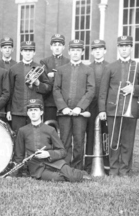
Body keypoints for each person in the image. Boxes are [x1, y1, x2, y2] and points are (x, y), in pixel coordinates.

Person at [98, 36, 139, 177]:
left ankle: (125, 170)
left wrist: (134, 89)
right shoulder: (110, 67)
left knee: (128, 142)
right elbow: (103, 91)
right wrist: (102, 110)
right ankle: (114, 169)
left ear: (131, 48)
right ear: (118, 48)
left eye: (127, 46)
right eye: (121, 46)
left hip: (130, 110)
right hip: (113, 110)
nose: (124, 49)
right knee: (114, 141)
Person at [11, 99, 90, 182]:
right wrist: (12, 174)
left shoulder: (50, 129)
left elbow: (63, 152)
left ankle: (80, 175)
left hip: (54, 161)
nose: (33, 113)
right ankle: (72, 174)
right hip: (37, 167)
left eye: (36, 110)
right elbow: (18, 156)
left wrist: (48, 154)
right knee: (57, 178)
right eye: (30, 110)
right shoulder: (23, 130)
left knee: (71, 176)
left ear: (41, 112)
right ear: (27, 113)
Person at [53, 39, 95, 169]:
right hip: (64, 113)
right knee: (64, 140)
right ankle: (64, 167)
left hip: (80, 113)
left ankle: (77, 168)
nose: (75, 53)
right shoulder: (61, 70)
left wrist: (79, 107)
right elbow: (56, 89)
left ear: (82, 52)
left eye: (78, 50)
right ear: (69, 51)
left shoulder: (88, 70)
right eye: (73, 50)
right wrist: (63, 108)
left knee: (79, 140)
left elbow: (91, 90)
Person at [7, 41, 51, 132]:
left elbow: (48, 88)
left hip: (35, 111)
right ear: (21, 52)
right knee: (17, 138)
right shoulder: (14, 69)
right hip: (18, 111)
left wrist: (39, 84)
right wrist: (8, 110)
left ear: (34, 53)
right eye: (25, 50)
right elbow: (9, 91)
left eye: (30, 50)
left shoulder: (40, 68)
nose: (28, 53)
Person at [85, 39, 110, 172]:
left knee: (105, 134)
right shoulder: (88, 67)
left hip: (105, 105)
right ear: (92, 52)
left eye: (100, 49)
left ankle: (106, 164)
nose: (98, 51)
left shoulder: (109, 66)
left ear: (105, 51)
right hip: (91, 105)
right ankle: (89, 164)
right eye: (95, 49)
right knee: (90, 134)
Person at [40, 34, 70, 121]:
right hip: (50, 102)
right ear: (51, 47)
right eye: (54, 45)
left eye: (59, 45)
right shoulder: (44, 62)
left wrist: (54, 75)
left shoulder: (68, 62)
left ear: (63, 47)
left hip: (65, 103)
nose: (57, 48)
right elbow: (44, 82)